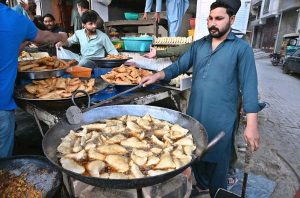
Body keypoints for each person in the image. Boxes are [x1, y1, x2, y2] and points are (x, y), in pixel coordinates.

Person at [141, 0, 264, 196]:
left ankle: (216, 190)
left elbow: (249, 87)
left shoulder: (241, 49)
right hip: (196, 114)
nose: (212, 23)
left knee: (217, 162)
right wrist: (157, 75)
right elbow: (178, 66)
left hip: (222, 119)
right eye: (210, 18)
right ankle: (200, 185)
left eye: (218, 19)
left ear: (231, 20)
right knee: (195, 154)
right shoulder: (199, 45)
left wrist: (251, 124)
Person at [0, 2, 68, 157]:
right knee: (3, 164)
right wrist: (61, 35)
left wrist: (21, 45)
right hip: (1, 107)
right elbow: (43, 37)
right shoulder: (14, 18)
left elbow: (8, 52)